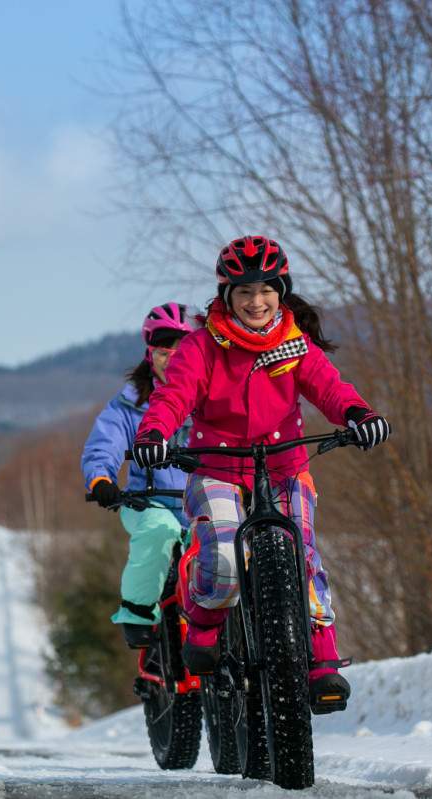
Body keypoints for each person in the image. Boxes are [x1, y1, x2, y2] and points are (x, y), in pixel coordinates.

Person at [131, 236, 391, 714]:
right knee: (225, 559)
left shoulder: (294, 344)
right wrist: (154, 434)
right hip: (217, 468)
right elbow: (173, 398)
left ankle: (322, 661)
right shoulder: (201, 346)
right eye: (244, 291)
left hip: (286, 465)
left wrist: (358, 414)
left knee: (305, 555)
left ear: (281, 291)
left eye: (266, 289)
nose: (256, 301)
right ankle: (207, 625)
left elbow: (329, 386)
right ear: (226, 295)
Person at [82, 302, 194, 649]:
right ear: (150, 354)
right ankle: (137, 612)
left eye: (183, 349)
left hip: (204, 499)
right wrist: (101, 479)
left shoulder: (211, 396)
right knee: (160, 532)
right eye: (163, 350)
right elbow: (105, 445)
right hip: (150, 501)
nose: (172, 358)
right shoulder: (130, 404)